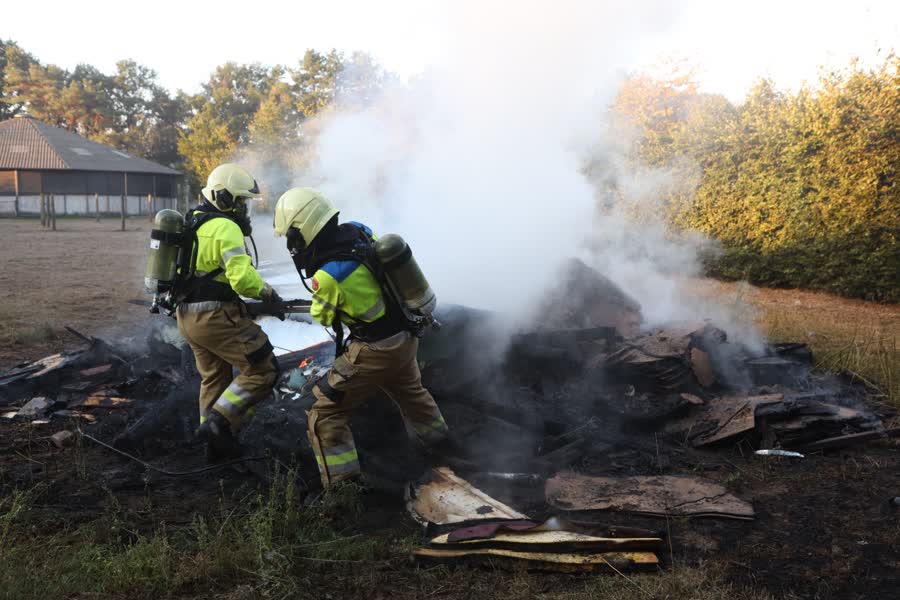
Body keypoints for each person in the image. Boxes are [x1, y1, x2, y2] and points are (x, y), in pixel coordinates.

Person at [272, 187, 448, 487]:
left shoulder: (326, 277)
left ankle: (344, 488)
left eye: (292, 235)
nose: (292, 244)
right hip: (406, 337)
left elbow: (325, 316)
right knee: (413, 395)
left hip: (376, 350)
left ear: (303, 229)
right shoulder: (359, 231)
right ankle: (443, 447)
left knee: (324, 411)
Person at [177, 163, 282, 461]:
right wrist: (269, 294)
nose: (243, 209)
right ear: (222, 198)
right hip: (214, 316)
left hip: (187, 317)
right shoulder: (226, 227)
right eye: (239, 201)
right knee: (264, 369)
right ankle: (218, 425)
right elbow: (242, 280)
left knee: (214, 378)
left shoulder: (193, 220)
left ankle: (215, 451)